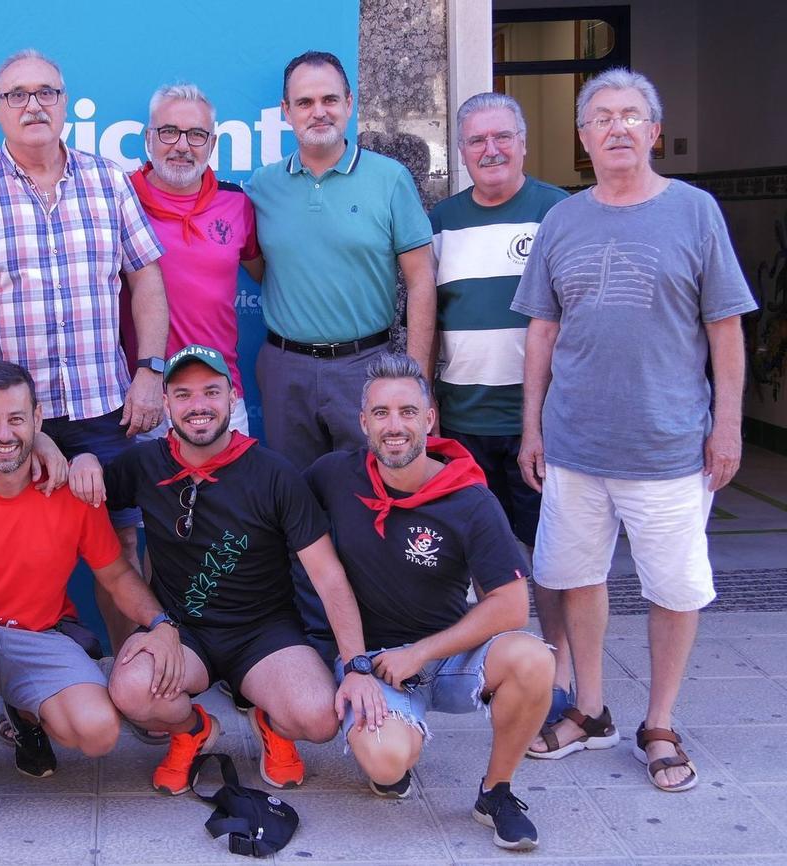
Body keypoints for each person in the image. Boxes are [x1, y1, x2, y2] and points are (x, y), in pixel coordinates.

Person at [514, 68, 757, 793]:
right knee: (575, 578)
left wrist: (729, 426)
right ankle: (590, 711)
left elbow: (726, 327)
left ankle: (659, 722)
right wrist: (532, 427)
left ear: (653, 131)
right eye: (602, 117)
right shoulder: (562, 219)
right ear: (583, 137)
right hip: (576, 446)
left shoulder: (696, 212)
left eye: (631, 116)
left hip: (671, 448)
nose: (616, 127)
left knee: (674, 589)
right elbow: (541, 334)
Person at [0, 48, 168, 651]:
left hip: (103, 407)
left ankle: (131, 677)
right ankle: (18, 696)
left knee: (120, 546)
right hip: (12, 417)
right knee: (11, 549)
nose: (32, 104)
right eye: (17, 95)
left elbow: (147, 280)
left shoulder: (108, 180)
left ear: (64, 103)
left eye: (45, 93)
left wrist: (150, 370)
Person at [0, 360, 183, 837]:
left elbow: (117, 576)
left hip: (38, 635)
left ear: (38, 420)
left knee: (97, 732)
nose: (4, 433)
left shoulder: (67, 491)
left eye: (16, 419)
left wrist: (162, 624)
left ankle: (25, 716)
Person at [91, 344, 385, 795]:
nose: (198, 406)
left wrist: (358, 665)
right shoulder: (142, 466)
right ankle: (192, 729)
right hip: (181, 630)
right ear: (166, 404)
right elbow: (82, 510)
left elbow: (328, 576)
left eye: (211, 391)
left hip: (263, 633)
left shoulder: (273, 474)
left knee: (319, 717)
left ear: (232, 399)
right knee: (130, 690)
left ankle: (273, 723)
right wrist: (81, 461)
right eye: (183, 395)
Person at [307, 352, 554, 851]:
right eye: (381, 414)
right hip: (370, 661)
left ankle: (497, 792)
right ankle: (396, 744)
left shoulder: (470, 498)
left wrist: (420, 654)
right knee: (387, 758)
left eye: (406, 412)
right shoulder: (333, 475)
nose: (394, 426)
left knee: (532, 658)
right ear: (363, 423)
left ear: (429, 418)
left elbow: (510, 606)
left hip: (443, 656)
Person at [428, 92, 572, 724]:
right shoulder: (441, 220)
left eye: (501, 137)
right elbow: (428, 315)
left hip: (536, 426)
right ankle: (497, 663)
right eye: (476, 141)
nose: (490, 150)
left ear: (523, 141)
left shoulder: (558, 212)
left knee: (554, 557)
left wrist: (543, 420)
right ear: (461, 151)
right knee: (480, 557)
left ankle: (559, 675)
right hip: (460, 421)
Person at [244, 50, 436, 474]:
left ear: (349, 104)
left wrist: (415, 383)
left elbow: (421, 281)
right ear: (286, 112)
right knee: (295, 499)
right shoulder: (262, 186)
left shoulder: (390, 180)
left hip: (365, 367)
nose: (319, 112)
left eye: (329, 100)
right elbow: (260, 266)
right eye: (305, 103)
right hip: (284, 370)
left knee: (374, 489)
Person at [120, 82, 262, 436]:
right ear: (148, 138)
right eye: (169, 132)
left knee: (233, 492)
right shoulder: (118, 199)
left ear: (212, 144)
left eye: (197, 135)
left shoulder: (237, 204)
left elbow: (268, 275)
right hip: (144, 399)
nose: (182, 146)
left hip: (222, 395)